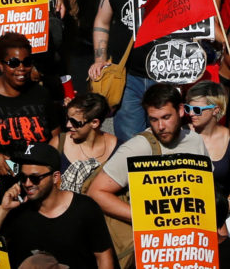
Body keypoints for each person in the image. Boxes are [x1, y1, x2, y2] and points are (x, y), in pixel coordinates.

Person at [89, 84, 209, 224]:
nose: (161, 127)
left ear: (181, 110)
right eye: (154, 119)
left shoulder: (195, 141)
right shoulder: (137, 147)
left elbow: (207, 193)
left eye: (166, 117)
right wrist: (146, 219)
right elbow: (96, 192)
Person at [0, 144, 115, 269]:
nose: (28, 183)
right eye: (23, 178)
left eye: (35, 178)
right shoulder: (17, 211)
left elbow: (104, 257)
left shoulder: (85, 208)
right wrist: (3, 209)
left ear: (55, 177)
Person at [0, 32, 61, 173]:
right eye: (13, 63)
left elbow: (56, 135)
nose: (21, 68)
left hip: (36, 177)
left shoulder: (42, 94)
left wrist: (44, 164)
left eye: (27, 62)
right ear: (1, 65)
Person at [185, 81, 230, 210]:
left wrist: (228, 204)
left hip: (217, 212)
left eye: (197, 110)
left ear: (215, 110)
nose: (191, 114)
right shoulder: (182, 135)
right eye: (188, 108)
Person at [59, 93, 116, 193]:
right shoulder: (60, 142)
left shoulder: (118, 149)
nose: (68, 125)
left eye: (75, 122)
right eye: (67, 119)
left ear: (94, 123)